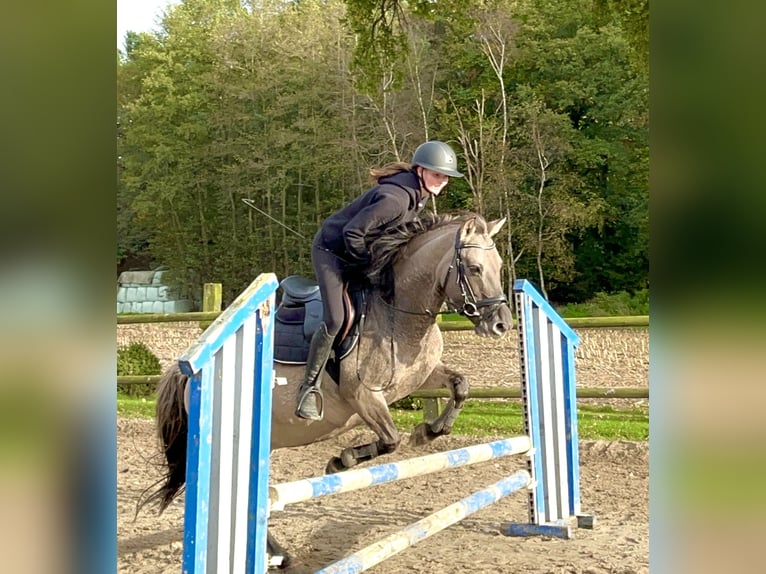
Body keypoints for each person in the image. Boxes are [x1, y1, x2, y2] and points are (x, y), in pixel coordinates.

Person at [295, 140, 464, 420]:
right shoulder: (395, 200)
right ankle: (309, 388)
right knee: (337, 318)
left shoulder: (417, 194)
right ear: (420, 171)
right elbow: (352, 234)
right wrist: (370, 265)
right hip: (332, 253)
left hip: (355, 252)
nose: (442, 181)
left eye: (446, 177)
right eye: (437, 174)